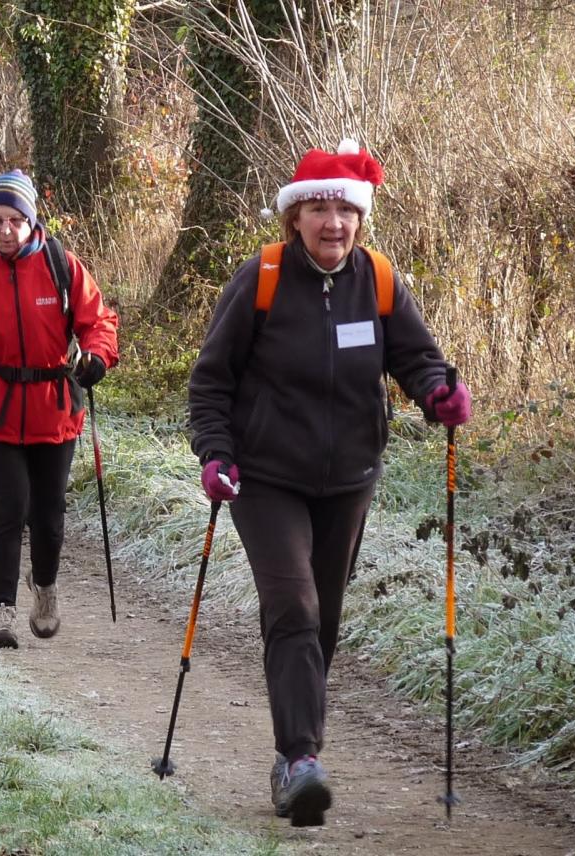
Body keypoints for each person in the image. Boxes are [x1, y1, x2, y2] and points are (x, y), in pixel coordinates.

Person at [187, 139, 472, 827]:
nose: (332, 223)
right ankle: (300, 758)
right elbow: (210, 382)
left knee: (326, 619)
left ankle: (297, 747)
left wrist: (438, 393)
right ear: (295, 217)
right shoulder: (260, 278)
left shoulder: (376, 279)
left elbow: (417, 358)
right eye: (318, 208)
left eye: (344, 209)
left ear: (360, 218)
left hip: (349, 478)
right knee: (294, 607)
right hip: (265, 478)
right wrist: (216, 453)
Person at [0, 169, 119, 649]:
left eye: (15, 219)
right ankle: (2, 609)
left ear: (32, 221)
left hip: (56, 408)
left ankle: (46, 585)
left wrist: (96, 355)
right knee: (9, 506)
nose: (5, 230)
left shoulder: (62, 266)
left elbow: (99, 322)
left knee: (49, 514)